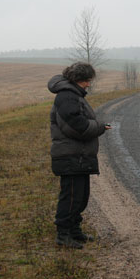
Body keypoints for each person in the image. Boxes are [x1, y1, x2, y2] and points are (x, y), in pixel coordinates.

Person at [48, 62, 111, 249]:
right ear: (78, 79)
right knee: (71, 196)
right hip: (71, 156)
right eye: (86, 80)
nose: (88, 84)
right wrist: (99, 127)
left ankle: (74, 231)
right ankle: (63, 234)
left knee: (81, 196)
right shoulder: (67, 97)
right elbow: (77, 127)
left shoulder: (72, 95)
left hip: (78, 155)